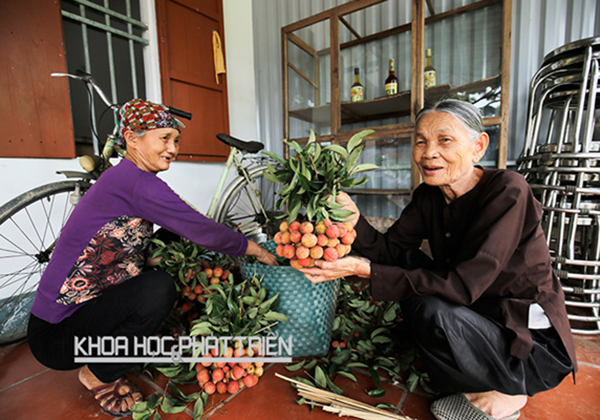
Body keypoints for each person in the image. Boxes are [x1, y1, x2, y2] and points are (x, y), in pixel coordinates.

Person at [301, 99, 576, 420]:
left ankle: (509, 389)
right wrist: (354, 219)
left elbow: (463, 286)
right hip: (480, 314)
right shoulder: (429, 196)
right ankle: (480, 374)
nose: (429, 152)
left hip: (527, 342)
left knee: (429, 308)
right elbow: (391, 252)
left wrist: (364, 270)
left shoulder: (507, 191)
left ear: (478, 146)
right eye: (421, 142)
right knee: (408, 263)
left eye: (445, 140)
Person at [27, 98, 276, 417]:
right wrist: (254, 248)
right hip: (55, 336)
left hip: (86, 310)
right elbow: (201, 229)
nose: (173, 148)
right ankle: (96, 373)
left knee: (173, 237)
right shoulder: (133, 182)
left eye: (176, 141)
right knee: (158, 288)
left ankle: (137, 328)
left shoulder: (129, 178)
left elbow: (162, 234)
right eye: (164, 138)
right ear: (132, 138)